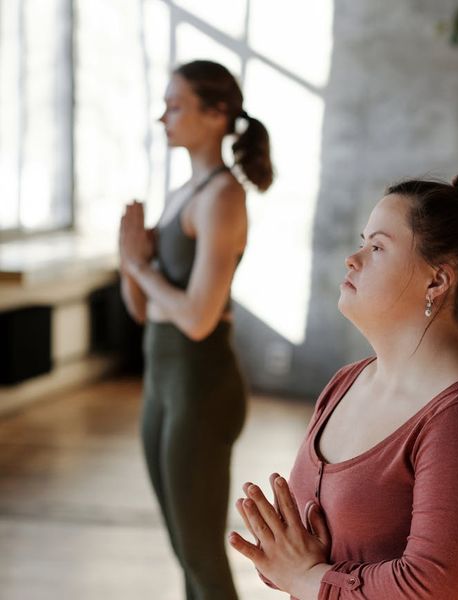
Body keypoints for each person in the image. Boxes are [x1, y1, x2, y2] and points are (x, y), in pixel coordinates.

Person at [229, 159, 458, 599]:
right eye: (362, 243)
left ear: (437, 281)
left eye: (377, 247)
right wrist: (296, 568)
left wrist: (307, 577)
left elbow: (428, 589)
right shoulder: (346, 384)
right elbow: (284, 558)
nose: (352, 259)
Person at [118, 60, 273, 600]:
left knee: (203, 558)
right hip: (163, 378)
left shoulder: (223, 198)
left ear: (217, 115)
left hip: (201, 386)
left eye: (176, 105)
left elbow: (198, 317)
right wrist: (128, 258)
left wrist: (140, 268)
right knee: (185, 551)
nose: (164, 116)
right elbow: (143, 309)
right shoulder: (186, 191)